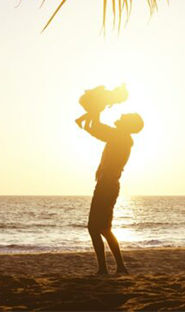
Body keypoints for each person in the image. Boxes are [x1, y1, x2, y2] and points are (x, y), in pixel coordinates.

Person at [78, 109, 144, 275]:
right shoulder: (121, 137)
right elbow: (96, 129)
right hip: (109, 185)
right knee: (105, 229)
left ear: (128, 124)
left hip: (106, 186)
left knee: (94, 228)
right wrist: (92, 116)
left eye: (125, 116)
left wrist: (96, 109)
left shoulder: (119, 136)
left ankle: (103, 269)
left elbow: (97, 128)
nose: (121, 115)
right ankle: (120, 268)